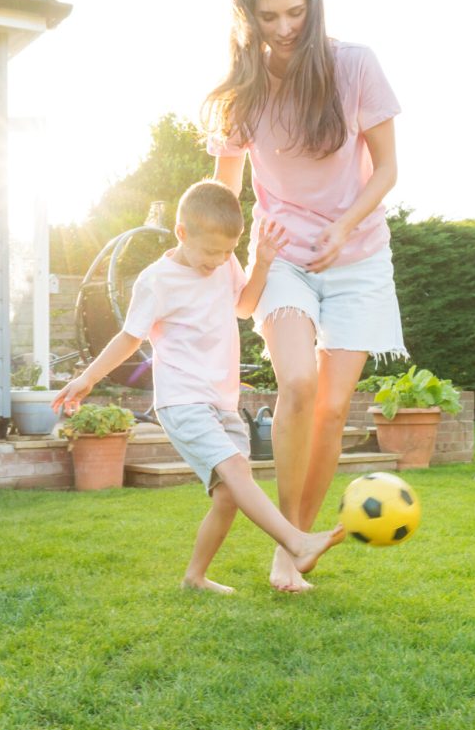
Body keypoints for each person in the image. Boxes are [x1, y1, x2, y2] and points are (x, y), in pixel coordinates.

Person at [204, 0, 407, 593]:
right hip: (286, 257)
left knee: (332, 405)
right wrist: (221, 262)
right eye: (270, 17)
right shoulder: (244, 94)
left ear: (313, 5)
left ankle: (295, 543)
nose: (287, 26)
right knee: (295, 383)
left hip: (359, 255)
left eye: (296, 12)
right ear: (248, 17)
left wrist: (344, 227)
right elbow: (223, 193)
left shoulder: (353, 66)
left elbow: (390, 170)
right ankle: (287, 545)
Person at [52, 180, 344, 594]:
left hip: (222, 401)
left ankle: (195, 576)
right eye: (211, 252)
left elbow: (243, 307)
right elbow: (128, 338)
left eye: (227, 251)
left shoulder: (225, 265)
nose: (218, 260)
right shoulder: (156, 281)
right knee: (238, 471)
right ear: (182, 232)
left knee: (228, 496)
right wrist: (86, 379)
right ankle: (295, 541)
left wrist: (259, 263)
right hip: (183, 400)